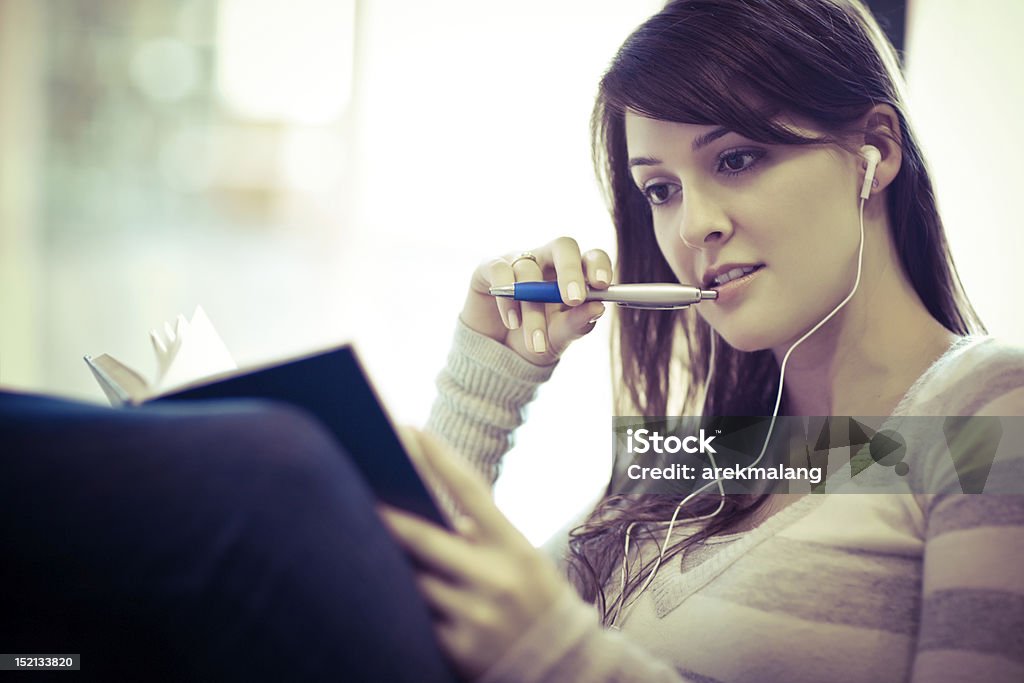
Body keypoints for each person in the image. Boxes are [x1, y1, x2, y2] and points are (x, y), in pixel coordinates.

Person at [378, 1, 1024, 682]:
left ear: (877, 152)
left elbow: (542, 655)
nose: (692, 226)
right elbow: (404, 631)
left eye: (738, 158)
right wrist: (491, 367)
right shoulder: (696, 462)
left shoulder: (989, 409)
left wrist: (557, 656)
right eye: (660, 189)